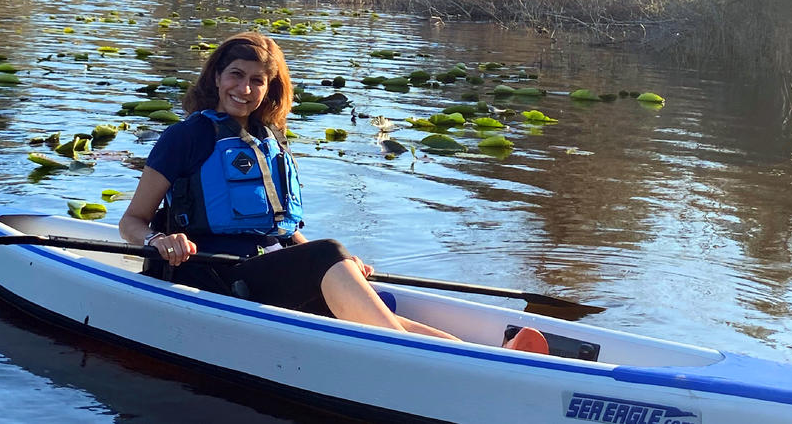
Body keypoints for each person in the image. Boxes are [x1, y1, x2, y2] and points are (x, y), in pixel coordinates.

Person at [119, 31, 548, 352]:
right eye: (235, 75)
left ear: (271, 87)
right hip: (209, 274)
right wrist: (160, 239)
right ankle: (429, 356)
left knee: (364, 298)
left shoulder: (269, 138)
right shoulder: (184, 137)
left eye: (257, 81)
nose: (244, 89)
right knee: (333, 260)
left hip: (262, 271)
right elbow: (130, 223)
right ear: (216, 76)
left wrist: (338, 267)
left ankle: (482, 354)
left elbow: (284, 232)